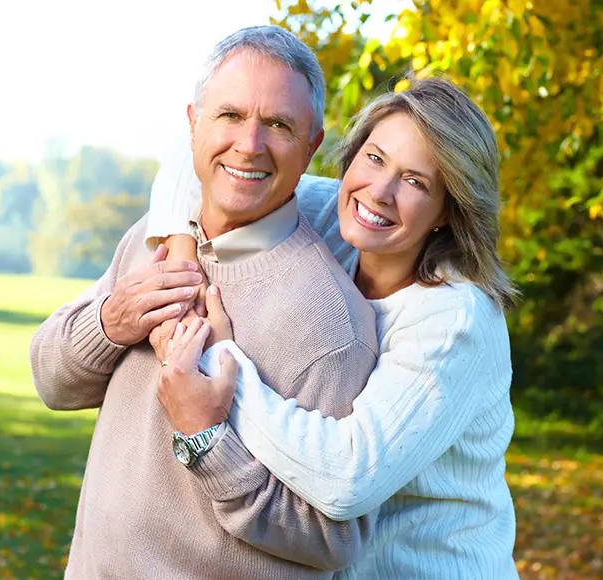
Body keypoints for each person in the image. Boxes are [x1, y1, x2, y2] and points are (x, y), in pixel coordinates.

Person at [30, 25, 383, 579]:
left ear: (312, 146)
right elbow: (51, 380)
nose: (249, 144)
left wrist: (207, 440)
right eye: (230, 116)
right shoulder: (153, 237)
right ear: (194, 123)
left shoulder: (331, 322)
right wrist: (111, 321)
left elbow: (333, 539)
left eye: (279, 125)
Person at [146, 76, 520, 579]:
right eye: (375, 158)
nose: (380, 192)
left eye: (415, 182)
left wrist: (219, 363)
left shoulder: (454, 319)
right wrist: (183, 260)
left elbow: (347, 478)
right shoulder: (334, 216)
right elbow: (188, 155)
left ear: (448, 212)